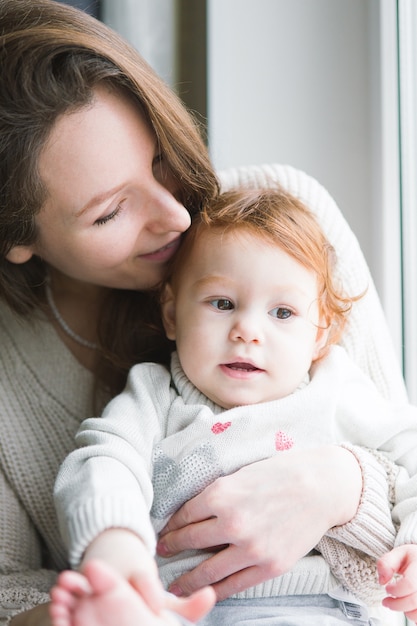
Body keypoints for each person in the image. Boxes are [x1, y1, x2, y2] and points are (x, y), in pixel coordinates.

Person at [0, 0, 409, 625]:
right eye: (111, 212)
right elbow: (97, 470)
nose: (177, 216)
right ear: (17, 237)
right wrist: (114, 578)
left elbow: (401, 456)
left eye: (162, 161)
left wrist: (340, 487)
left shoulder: (288, 233)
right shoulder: (153, 396)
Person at [52, 188, 417, 626]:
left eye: (282, 312)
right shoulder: (153, 395)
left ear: (320, 333)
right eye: (222, 303)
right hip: (181, 609)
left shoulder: (333, 388)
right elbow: (104, 462)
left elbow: (409, 456)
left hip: (320, 608)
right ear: (171, 314)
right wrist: (114, 547)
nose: (247, 330)